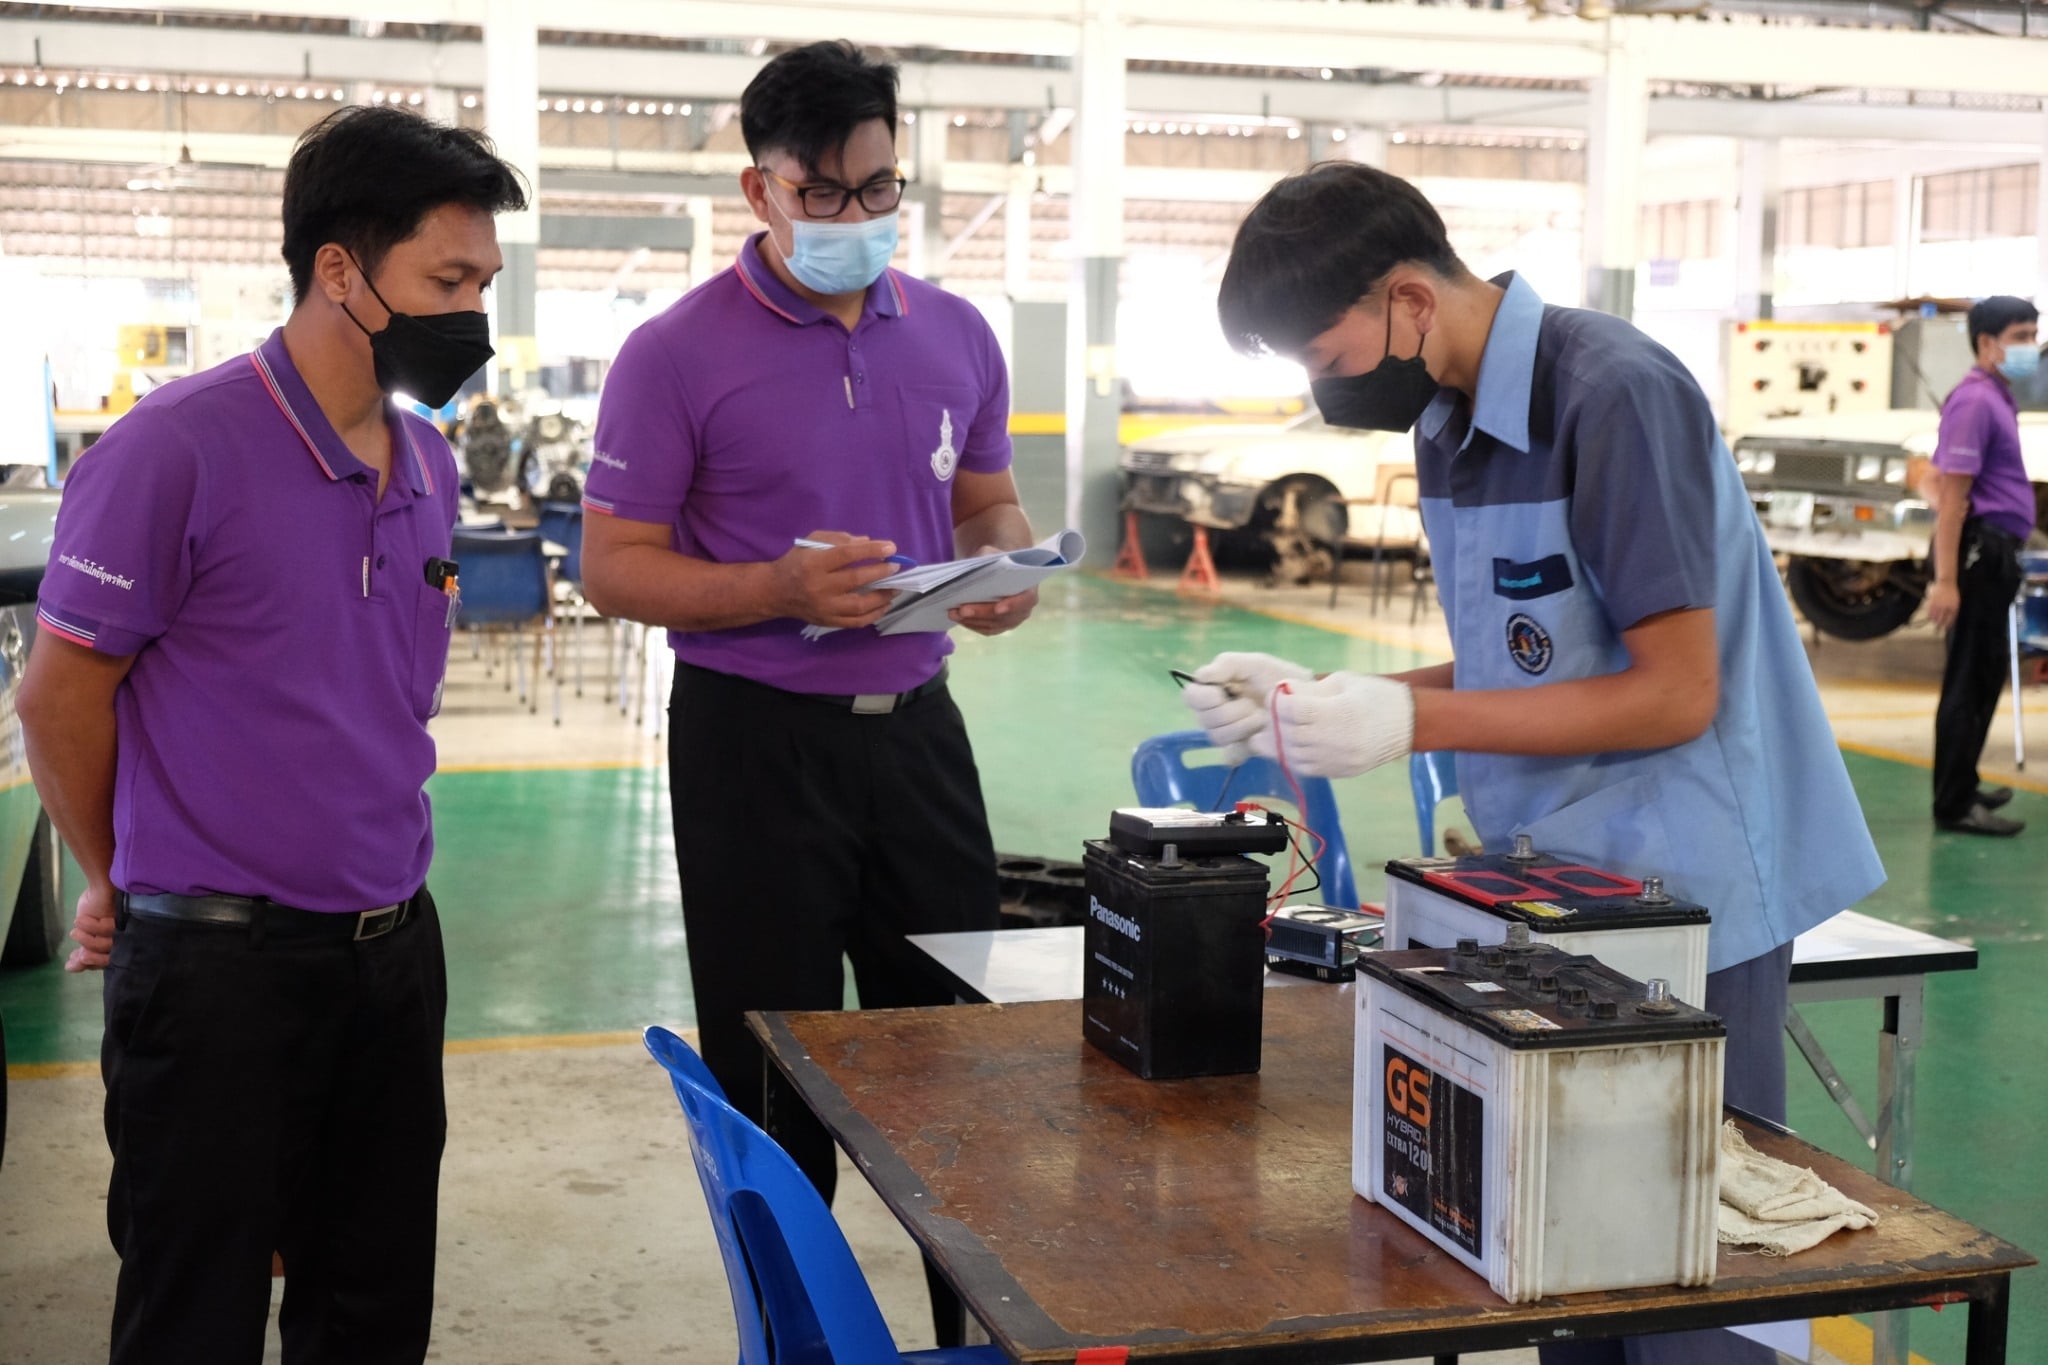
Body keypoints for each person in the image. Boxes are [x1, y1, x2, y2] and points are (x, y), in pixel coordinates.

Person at [1184, 163, 1884, 1365]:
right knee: (1556, 1261)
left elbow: (1674, 692)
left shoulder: (1611, 394)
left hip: (1685, 902)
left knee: (1683, 1278)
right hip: (1552, 899)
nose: (1321, 386)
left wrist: (1413, 728)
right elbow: (1522, 670)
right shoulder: (1451, 426)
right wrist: (1316, 700)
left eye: (1323, 353)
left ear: (1408, 300)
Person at [18, 107, 525, 1365]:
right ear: (339, 271)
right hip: (217, 980)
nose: (472, 318)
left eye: (484, 285)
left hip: (394, 955)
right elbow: (58, 697)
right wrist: (115, 876)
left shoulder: (427, 463)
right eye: (446, 282)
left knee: (371, 1308)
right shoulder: (172, 451)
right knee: (195, 1312)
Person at [579, 40, 1037, 1345]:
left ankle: (973, 1333)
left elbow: (985, 497)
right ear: (759, 189)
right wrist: (776, 587)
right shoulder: (674, 355)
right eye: (824, 195)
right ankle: (794, 1331)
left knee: (960, 1059)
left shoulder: (956, 333)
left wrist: (1005, 571)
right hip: (750, 742)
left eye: (880, 189)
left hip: (920, 738)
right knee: (773, 1064)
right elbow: (613, 567)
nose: (857, 219)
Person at [1927, 295, 2038, 837]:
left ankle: (1964, 782)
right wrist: (1946, 581)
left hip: (1996, 554)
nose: (2030, 346)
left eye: (2033, 334)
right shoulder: (1974, 402)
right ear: (1987, 342)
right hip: (1978, 555)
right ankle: (1952, 804)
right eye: (2020, 336)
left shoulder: (1997, 396)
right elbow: (1952, 500)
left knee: (1986, 674)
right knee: (1968, 680)